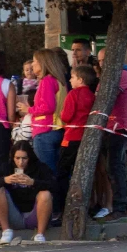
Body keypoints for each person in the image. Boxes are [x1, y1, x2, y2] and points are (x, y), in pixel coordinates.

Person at [96, 49, 127, 217]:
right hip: (107, 126)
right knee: (108, 168)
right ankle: (111, 203)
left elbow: (105, 98)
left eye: (105, 59)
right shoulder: (106, 77)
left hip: (119, 127)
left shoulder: (122, 75)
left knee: (115, 166)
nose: (102, 63)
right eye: (99, 60)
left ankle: (120, 205)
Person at [0, 142, 53, 245]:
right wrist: (5, 180)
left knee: (45, 194)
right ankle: (6, 231)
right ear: (12, 157)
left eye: (24, 158)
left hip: (35, 214)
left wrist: (33, 182)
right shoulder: (6, 167)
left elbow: (54, 186)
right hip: (14, 215)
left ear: (30, 157)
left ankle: (40, 234)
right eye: (17, 158)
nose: (20, 162)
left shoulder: (40, 167)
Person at [54, 64, 98, 211]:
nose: (70, 80)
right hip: (85, 138)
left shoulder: (73, 94)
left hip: (71, 137)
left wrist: (61, 114)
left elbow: (66, 116)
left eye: (72, 77)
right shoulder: (92, 96)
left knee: (62, 171)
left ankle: (60, 205)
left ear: (80, 79)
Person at [27, 47, 72, 175]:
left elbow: (48, 107)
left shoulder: (47, 80)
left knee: (47, 173)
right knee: (58, 172)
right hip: (58, 129)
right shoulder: (60, 81)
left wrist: (28, 109)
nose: (32, 64)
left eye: (34, 61)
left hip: (45, 130)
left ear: (43, 63)